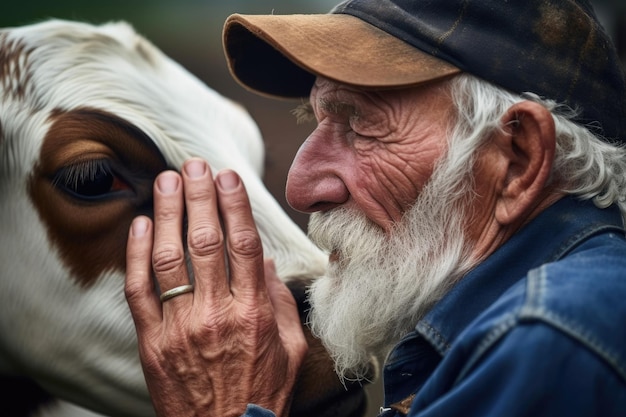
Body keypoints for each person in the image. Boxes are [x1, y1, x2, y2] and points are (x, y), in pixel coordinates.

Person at [124, 0, 626, 416]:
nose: (300, 187)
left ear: (516, 160)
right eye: (316, 120)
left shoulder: (549, 341)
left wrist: (226, 409)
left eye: (360, 125)